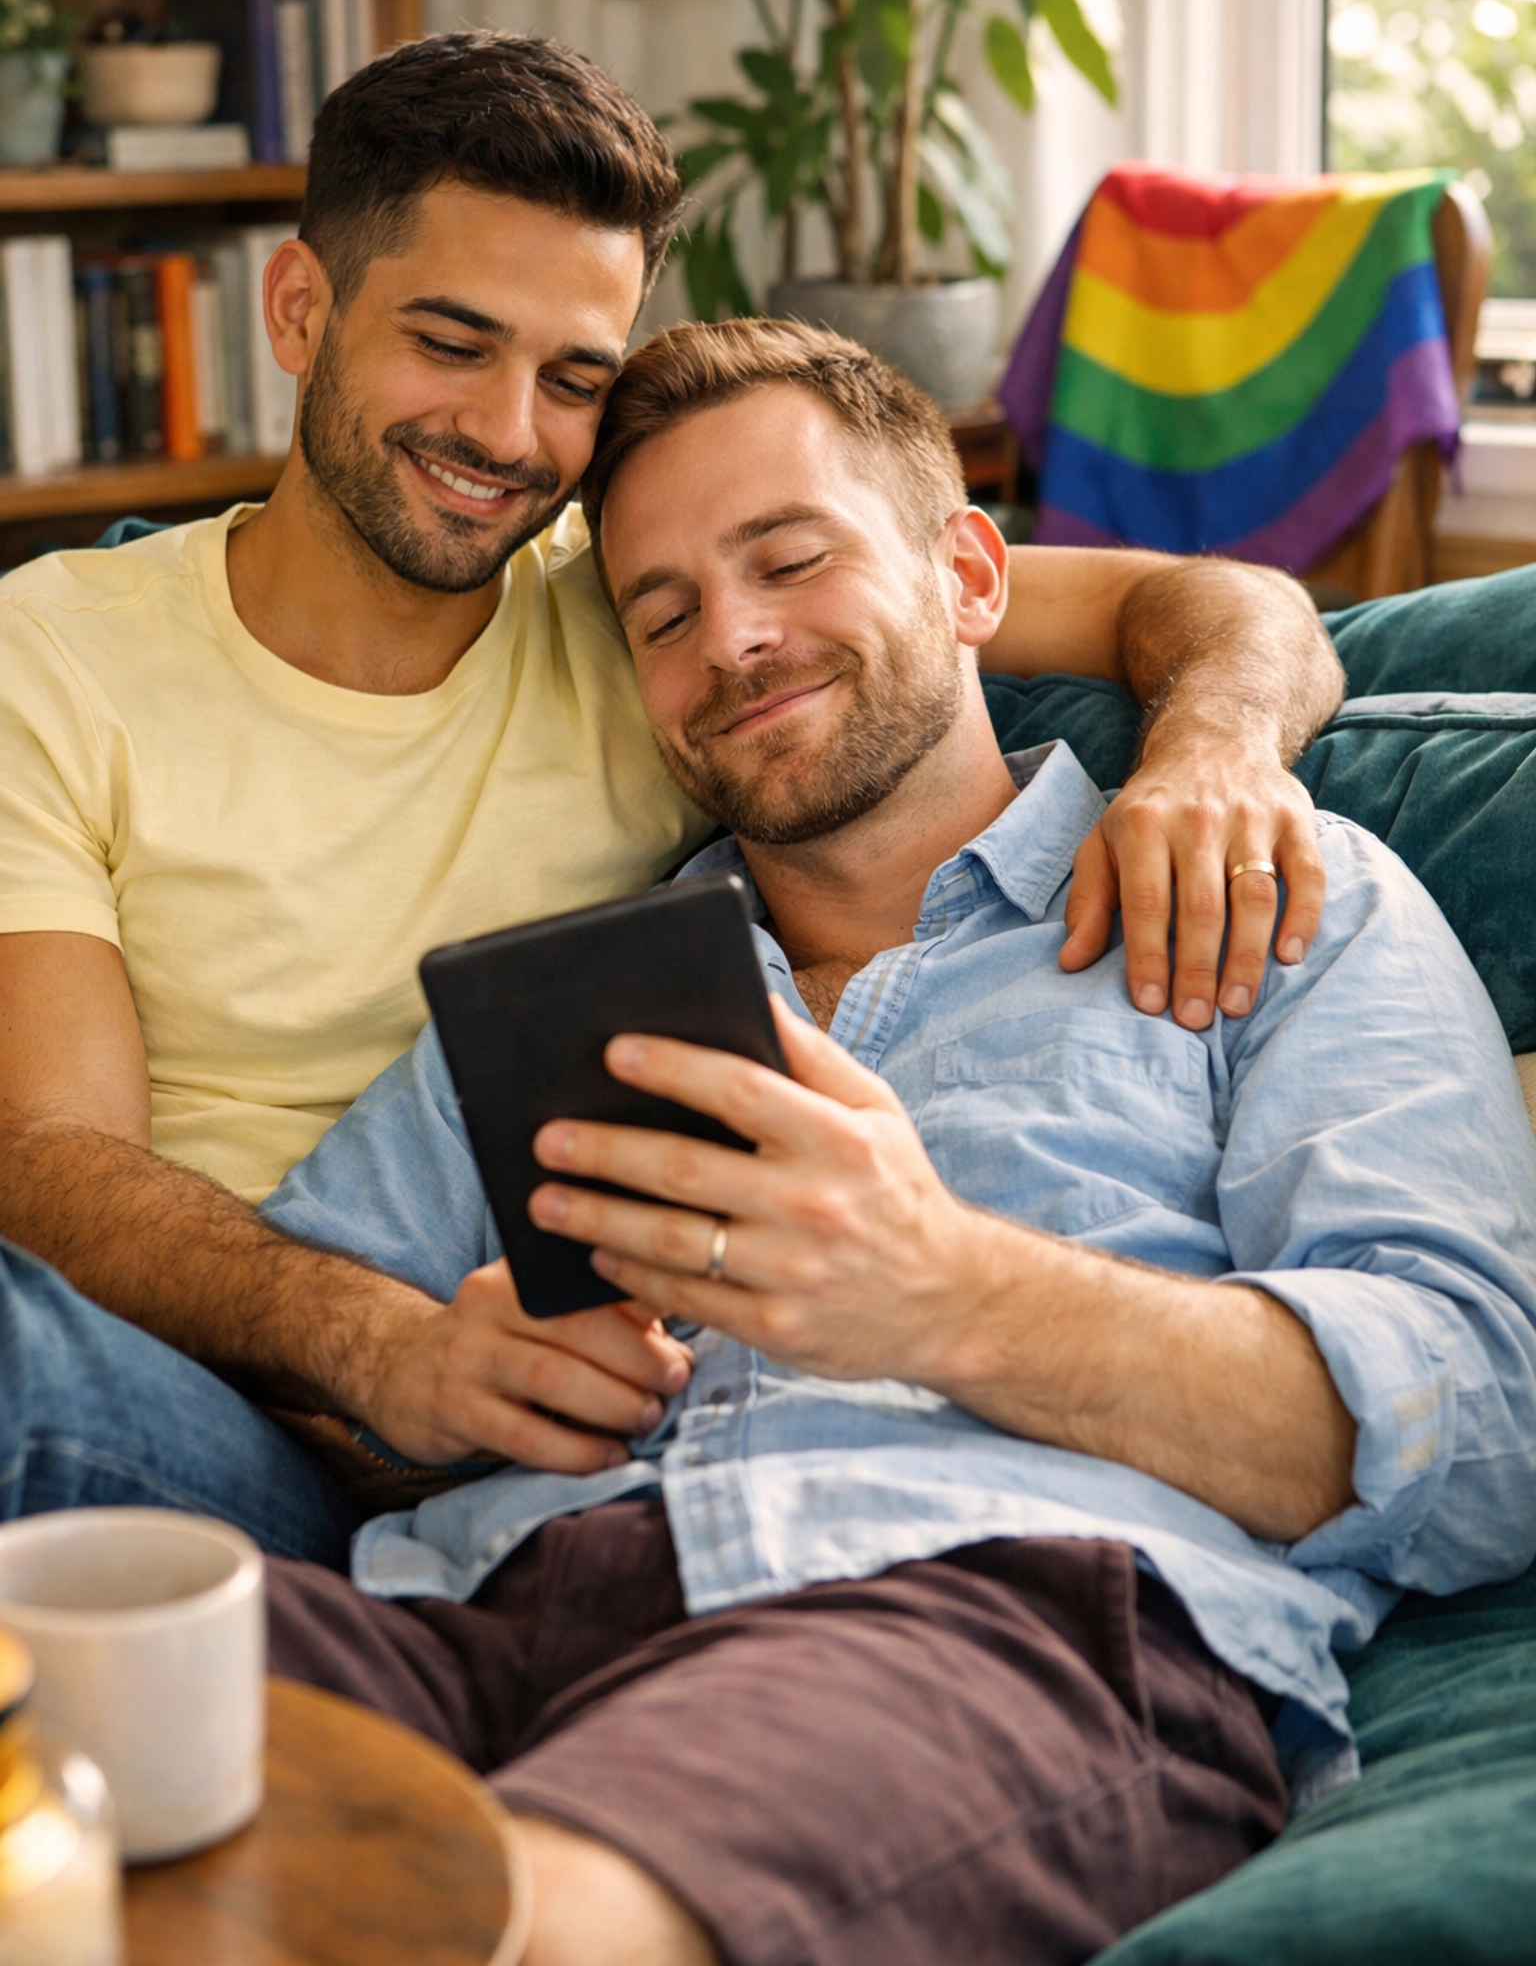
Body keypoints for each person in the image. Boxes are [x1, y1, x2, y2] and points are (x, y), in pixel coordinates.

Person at [240, 319, 1536, 1966]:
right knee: (72, 1773)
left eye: (790, 560)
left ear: (971, 578)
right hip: (477, 1608)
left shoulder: (1284, 895)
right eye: (665, 613)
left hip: (988, 1615)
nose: (736, 642)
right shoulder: (572, 997)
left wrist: (946, 1293)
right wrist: (428, 1373)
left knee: (515, 1922)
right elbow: (288, 1359)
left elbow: (1487, 1425)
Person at [0, 33, 1343, 1555]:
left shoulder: (669, 634)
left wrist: (1216, 751)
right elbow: (46, 1161)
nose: (508, 438)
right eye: (452, 344)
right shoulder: (48, 662)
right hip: (225, 1386)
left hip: (566, 1412)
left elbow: (1217, 604)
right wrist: (384, 1350)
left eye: (571, 377)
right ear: (301, 309)